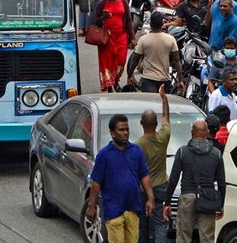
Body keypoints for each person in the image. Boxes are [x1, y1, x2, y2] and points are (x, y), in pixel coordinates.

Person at [86, 114, 154, 243]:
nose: (126, 133)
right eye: (121, 130)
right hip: (114, 210)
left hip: (133, 208)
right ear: (112, 133)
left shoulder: (136, 151)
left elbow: (144, 175)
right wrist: (91, 206)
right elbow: (96, 183)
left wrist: (150, 198)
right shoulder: (104, 155)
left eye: (127, 129)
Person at [164, 118, 225, 243]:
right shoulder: (216, 154)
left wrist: (167, 202)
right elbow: (221, 183)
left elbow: (173, 180)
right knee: (207, 238)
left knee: (183, 236)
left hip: (187, 197)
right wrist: (221, 205)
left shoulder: (182, 152)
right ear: (207, 133)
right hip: (208, 198)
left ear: (191, 132)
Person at [135, 87, 172, 243]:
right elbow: (166, 117)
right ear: (156, 123)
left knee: (141, 224)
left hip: (144, 190)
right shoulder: (163, 136)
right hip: (162, 186)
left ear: (141, 123)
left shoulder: (138, 145)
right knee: (160, 224)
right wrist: (164, 99)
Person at [92, 0, 134, 91]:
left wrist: (132, 37)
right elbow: (95, 22)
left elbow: (129, 21)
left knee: (120, 60)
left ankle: (116, 80)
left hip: (121, 37)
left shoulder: (124, 2)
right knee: (107, 62)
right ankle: (110, 85)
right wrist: (103, 18)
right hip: (106, 38)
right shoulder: (102, 4)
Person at [126, 12, 181, 93]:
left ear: (151, 24)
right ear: (162, 24)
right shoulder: (171, 39)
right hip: (164, 81)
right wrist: (181, 80)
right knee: (163, 104)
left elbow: (135, 59)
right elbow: (176, 61)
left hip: (148, 80)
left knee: (150, 104)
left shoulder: (143, 39)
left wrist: (129, 76)